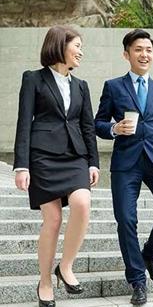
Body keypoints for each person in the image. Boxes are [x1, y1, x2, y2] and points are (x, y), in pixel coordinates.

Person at [94, 29, 153, 305]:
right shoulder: (113, 86)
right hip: (126, 161)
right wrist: (113, 128)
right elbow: (98, 123)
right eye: (138, 49)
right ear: (126, 54)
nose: (144, 54)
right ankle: (137, 280)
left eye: (148, 49)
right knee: (126, 219)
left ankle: (149, 253)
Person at [13, 25, 100, 307]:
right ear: (61, 46)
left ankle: (65, 266)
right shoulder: (34, 79)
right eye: (78, 46)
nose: (81, 53)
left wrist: (93, 163)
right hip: (43, 157)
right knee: (52, 220)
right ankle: (45, 281)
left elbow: (87, 126)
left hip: (75, 156)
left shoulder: (81, 85)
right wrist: (21, 166)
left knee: (83, 203)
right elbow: (24, 122)